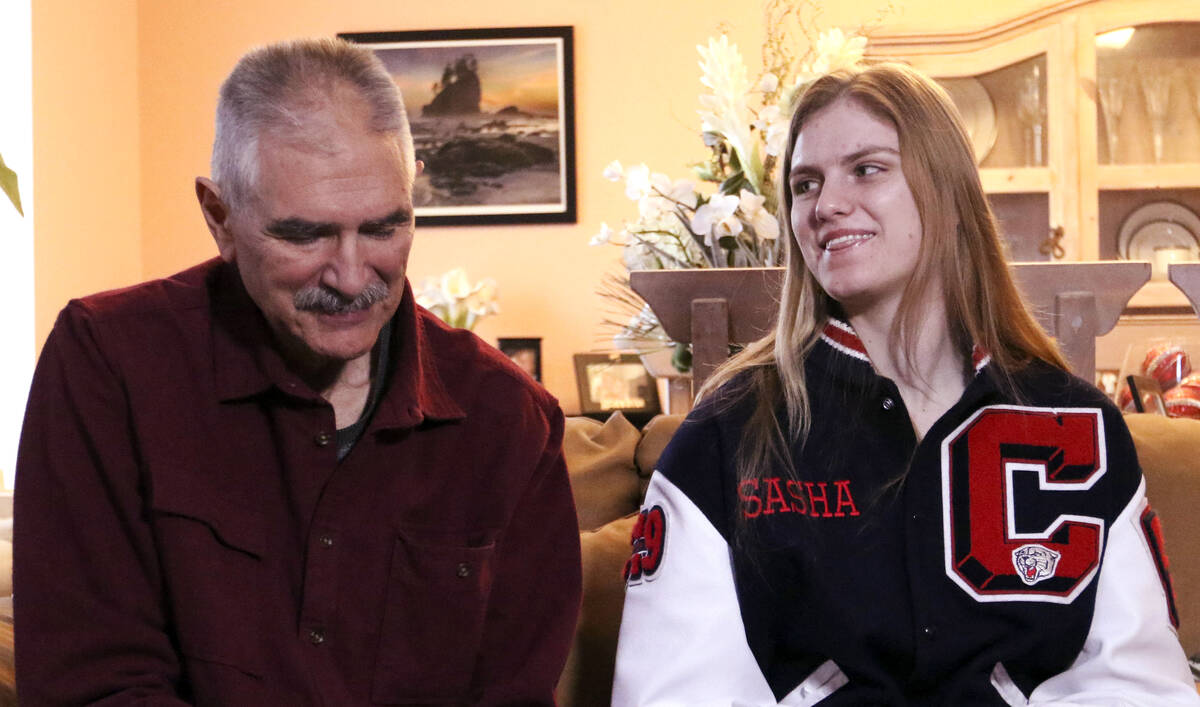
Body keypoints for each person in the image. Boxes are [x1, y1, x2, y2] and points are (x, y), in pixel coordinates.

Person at [14, 37, 581, 705]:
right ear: (219, 216)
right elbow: (92, 684)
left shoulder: (510, 422)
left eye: (383, 228)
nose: (350, 277)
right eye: (305, 235)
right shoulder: (108, 365)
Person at [612, 63, 1198, 705]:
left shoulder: (1076, 424)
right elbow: (675, 690)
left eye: (866, 168)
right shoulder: (729, 432)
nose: (826, 204)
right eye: (806, 183)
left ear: (946, 192)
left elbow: (1141, 683)